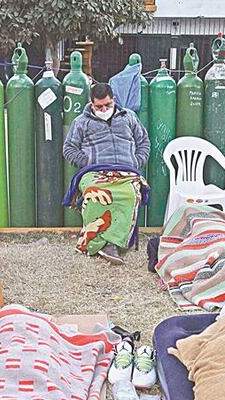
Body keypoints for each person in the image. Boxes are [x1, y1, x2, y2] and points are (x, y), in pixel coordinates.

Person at [62, 82, 150, 265]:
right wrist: (87, 162)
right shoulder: (81, 122)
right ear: (91, 104)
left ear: (114, 100)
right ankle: (99, 243)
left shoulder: (129, 117)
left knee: (130, 195)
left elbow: (144, 142)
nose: (103, 109)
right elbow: (68, 148)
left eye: (107, 105)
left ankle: (114, 242)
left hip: (126, 172)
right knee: (95, 195)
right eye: (98, 106)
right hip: (95, 172)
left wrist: (136, 161)